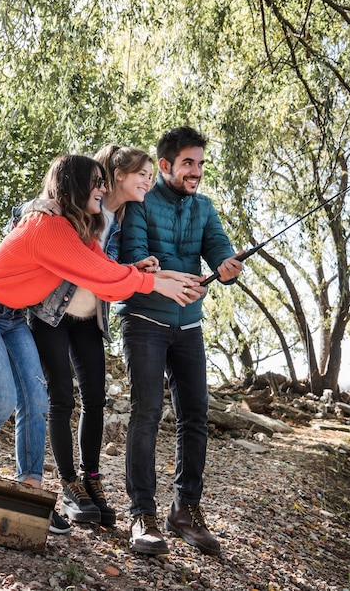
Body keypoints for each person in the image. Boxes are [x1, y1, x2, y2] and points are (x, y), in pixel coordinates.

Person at [0, 154, 203, 534]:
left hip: (10, 318)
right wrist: (156, 285)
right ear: (73, 185)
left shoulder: (76, 232)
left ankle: (31, 492)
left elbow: (104, 273)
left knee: (36, 402)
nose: (103, 189)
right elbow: (97, 272)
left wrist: (154, 274)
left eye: (105, 183)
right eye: (96, 182)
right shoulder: (46, 224)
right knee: (1, 399)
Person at [118, 126, 243, 555]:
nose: (197, 171)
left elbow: (220, 251)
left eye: (201, 164)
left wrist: (227, 267)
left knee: (195, 416)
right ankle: (142, 514)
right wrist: (156, 274)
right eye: (189, 163)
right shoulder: (139, 204)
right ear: (166, 165)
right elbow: (133, 262)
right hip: (143, 322)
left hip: (189, 327)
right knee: (147, 413)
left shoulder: (205, 208)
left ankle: (185, 510)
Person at [20, 146, 158, 527]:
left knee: (95, 397)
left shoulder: (126, 216)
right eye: (141, 173)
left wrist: (135, 269)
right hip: (52, 313)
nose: (148, 181)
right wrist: (37, 206)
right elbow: (30, 219)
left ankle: (91, 479)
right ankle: (69, 485)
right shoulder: (70, 203)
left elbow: (106, 267)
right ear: (115, 174)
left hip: (89, 318)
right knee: (61, 396)